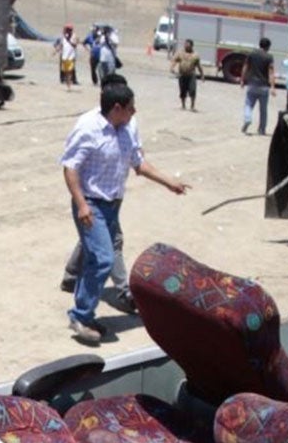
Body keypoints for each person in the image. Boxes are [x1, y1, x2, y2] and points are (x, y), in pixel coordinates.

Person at [58, 75, 189, 347]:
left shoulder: (128, 129)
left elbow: (139, 164)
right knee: (104, 258)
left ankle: (84, 313)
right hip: (91, 203)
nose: (135, 112)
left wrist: (169, 182)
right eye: (131, 107)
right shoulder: (88, 127)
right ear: (117, 108)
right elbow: (70, 168)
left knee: (97, 258)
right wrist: (81, 204)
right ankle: (81, 315)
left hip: (112, 205)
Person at [242, 37, 274, 134]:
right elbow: (271, 72)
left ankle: (247, 119)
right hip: (264, 86)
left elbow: (246, 67)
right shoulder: (269, 57)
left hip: (252, 84)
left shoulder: (252, 54)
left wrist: (243, 80)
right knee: (263, 109)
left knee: (248, 104)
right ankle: (262, 129)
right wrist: (272, 86)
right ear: (268, 46)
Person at [170, 38, 203, 110]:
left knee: (193, 90)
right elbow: (175, 60)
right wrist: (172, 68)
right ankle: (183, 105)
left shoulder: (195, 55)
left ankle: (192, 106)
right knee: (182, 90)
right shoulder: (180, 53)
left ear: (191, 46)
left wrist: (202, 75)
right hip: (182, 75)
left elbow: (199, 66)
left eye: (187, 44)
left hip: (191, 75)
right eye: (185, 44)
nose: (185, 45)